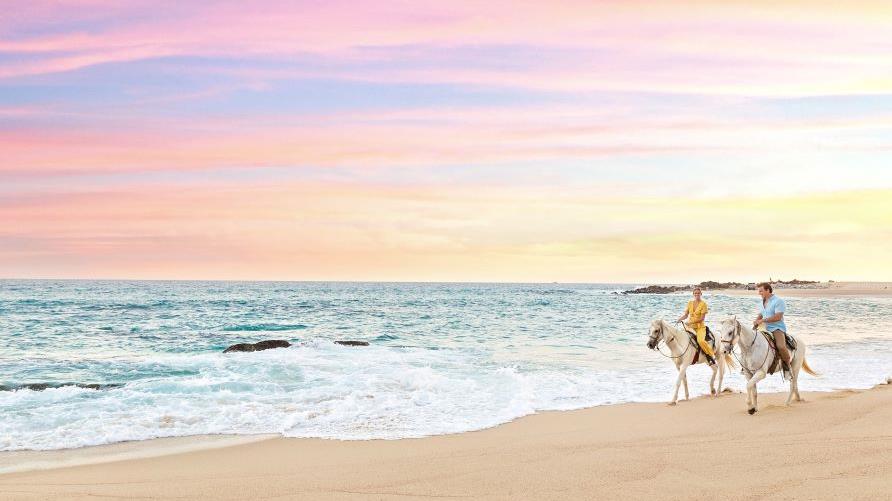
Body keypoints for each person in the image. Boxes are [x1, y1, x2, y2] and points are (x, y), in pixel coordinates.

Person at [753, 282, 791, 378]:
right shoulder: (762, 302)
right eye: (759, 291)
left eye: (761, 291)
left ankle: (787, 367)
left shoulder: (778, 301)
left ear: (768, 290)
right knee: (749, 341)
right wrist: (757, 320)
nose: (759, 293)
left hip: (776, 328)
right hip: (763, 328)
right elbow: (762, 313)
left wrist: (762, 320)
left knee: (781, 346)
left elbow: (778, 317)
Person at [677, 287, 715, 364]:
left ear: (701, 294)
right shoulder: (690, 303)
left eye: (698, 293)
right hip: (690, 327)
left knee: (700, 341)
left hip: (700, 327)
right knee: (679, 337)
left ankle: (710, 356)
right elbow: (686, 315)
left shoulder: (703, 304)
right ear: (693, 294)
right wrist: (680, 319)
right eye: (695, 293)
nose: (697, 294)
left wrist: (690, 322)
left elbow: (702, 319)